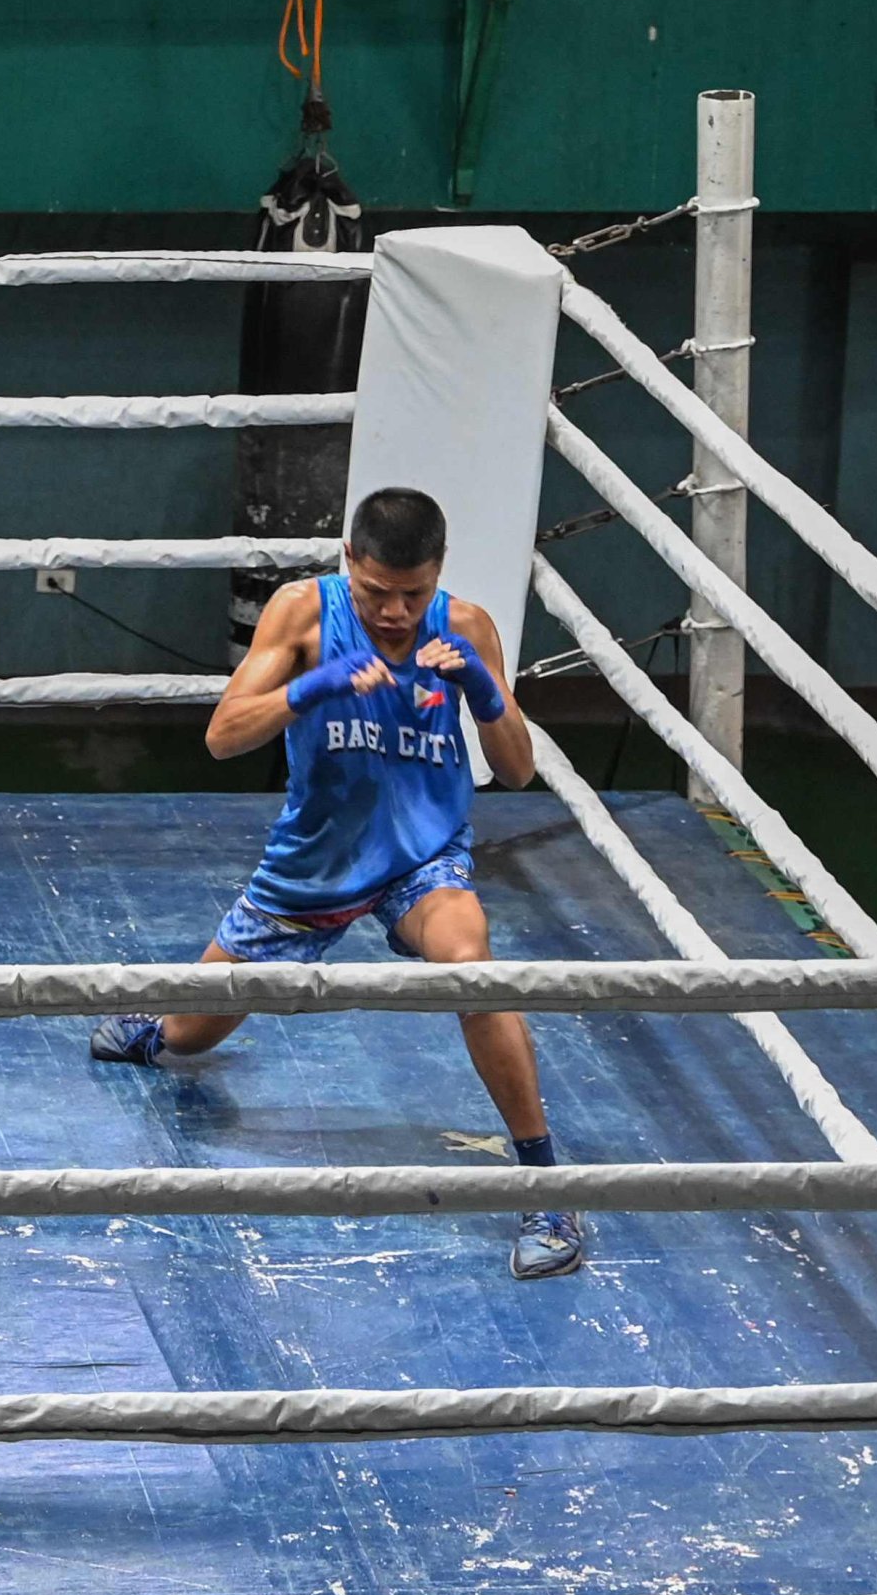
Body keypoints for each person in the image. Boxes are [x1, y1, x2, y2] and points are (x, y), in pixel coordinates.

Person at [89, 486, 584, 1282]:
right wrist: (308, 689)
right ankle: (160, 1025)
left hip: (422, 860)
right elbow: (221, 737)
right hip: (313, 865)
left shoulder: (467, 627)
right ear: (348, 560)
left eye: (412, 594)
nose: (393, 612)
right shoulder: (302, 613)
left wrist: (487, 696)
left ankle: (546, 1187)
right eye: (376, 592)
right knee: (190, 1036)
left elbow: (518, 769)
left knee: (472, 966)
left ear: (439, 574)